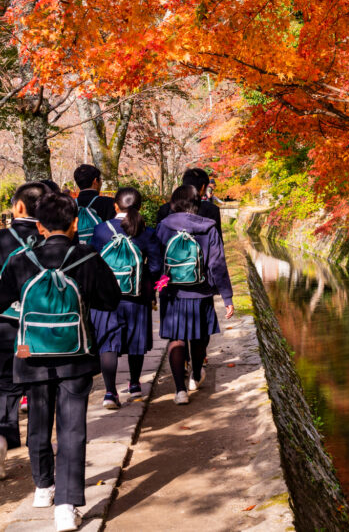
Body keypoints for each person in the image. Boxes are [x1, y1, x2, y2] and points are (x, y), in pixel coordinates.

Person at [0, 193, 119, 532]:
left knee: (38, 419)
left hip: (29, 353)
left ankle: (42, 487)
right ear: (75, 223)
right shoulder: (87, 257)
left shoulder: (22, 259)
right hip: (76, 355)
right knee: (72, 428)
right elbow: (110, 301)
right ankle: (66, 506)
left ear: (38, 224)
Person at [155, 185, 233, 405]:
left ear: (174, 203)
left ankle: (180, 391)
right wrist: (227, 297)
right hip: (201, 292)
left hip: (172, 293)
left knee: (176, 338)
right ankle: (196, 374)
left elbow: (155, 260)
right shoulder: (208, 227)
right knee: (199, 336)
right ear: (197, 204)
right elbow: (217, 264)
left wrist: (156, 288)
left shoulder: (163, 227)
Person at [90, 188, 162, 410]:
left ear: (115, 206)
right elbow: (158, 266)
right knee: (135, 342)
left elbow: (93, 261)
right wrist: (144, 280)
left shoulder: (101, 230)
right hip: (136, 296)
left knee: (108, 343)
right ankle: (134, 385)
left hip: (105, 299)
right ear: (139, 206)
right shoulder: (146, 231)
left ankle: (110, 393)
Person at [0, 182, 47, 479]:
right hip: (41, 328)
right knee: (39, 387)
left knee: (4, 384)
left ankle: (3, 437)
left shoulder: (1, 238)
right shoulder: (52, 239)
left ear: (18, 206)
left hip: (5, 324)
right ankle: (38, 450)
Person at [156, 168, 221, 234]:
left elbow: (158, 239)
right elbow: (217, 241)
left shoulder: (165, 209)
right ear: (203, 187)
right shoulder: (212, 210)